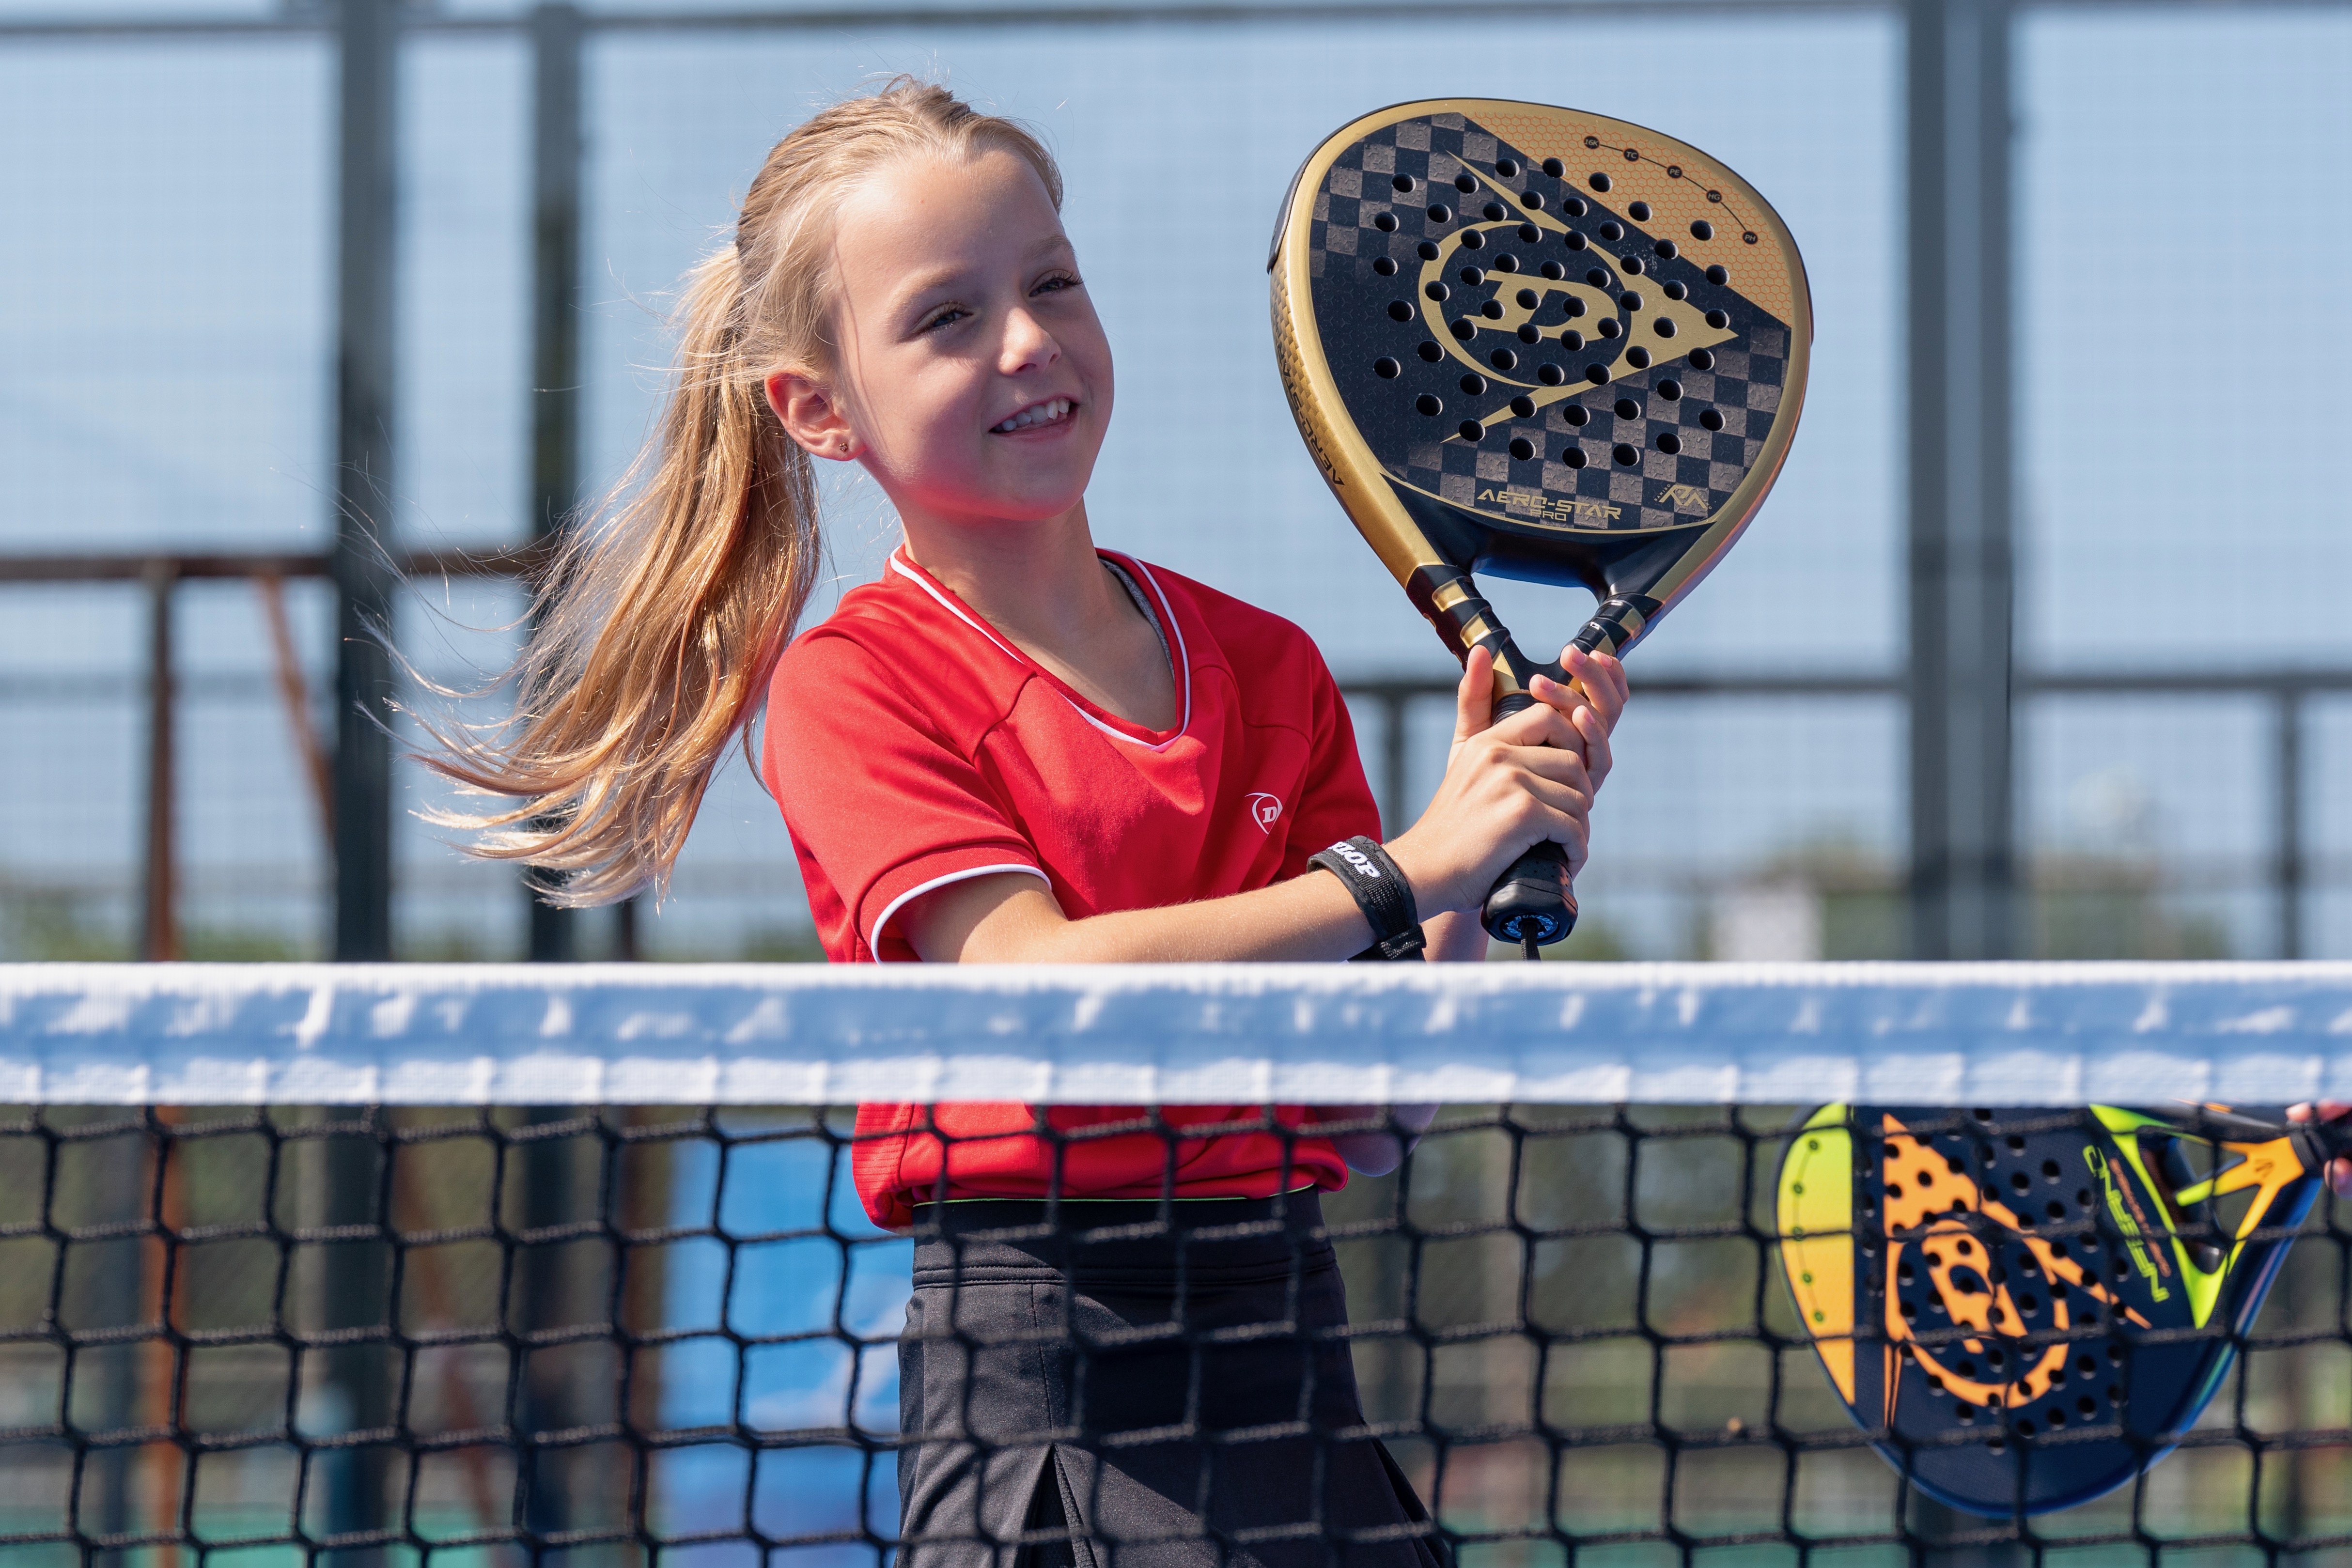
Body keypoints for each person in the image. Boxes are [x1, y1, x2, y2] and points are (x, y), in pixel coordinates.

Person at [431, 81, 1625, 1568]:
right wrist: (1412, 865)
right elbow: (1040, 982)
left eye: (1052, 282)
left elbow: (1366, 1116)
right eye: (945, 318)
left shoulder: (1268, 668)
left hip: (1293, 1372)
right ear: (818, 406)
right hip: (1042, 1382)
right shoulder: (853, 686)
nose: (1027, 340)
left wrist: (1482, 864)